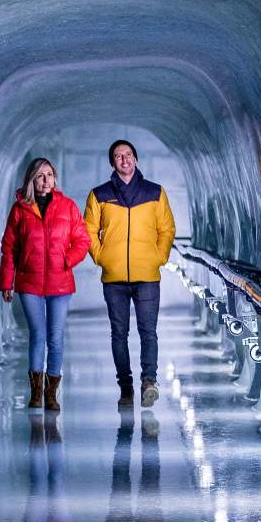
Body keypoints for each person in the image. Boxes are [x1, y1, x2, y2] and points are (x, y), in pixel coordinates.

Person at [83, 138, 177, 408]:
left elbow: (167, 229)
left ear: (135, 159)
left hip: (147, 274)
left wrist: (159, 257)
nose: (124, 159)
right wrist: (101, 256)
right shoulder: (99, 194)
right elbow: (88, 229)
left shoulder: (155, 192)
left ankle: (149, 381)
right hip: (114, 278)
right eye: (118, 156)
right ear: (112, 163)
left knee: (148, 331)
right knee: (118, 333)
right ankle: (125, 386)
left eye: (128, 154)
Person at [0, 156, 92, 411]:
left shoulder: (68, 207)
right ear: (31, 180)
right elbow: (9, 248)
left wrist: (67, 259)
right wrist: (6, 282)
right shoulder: (20, 210)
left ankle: (51, 394)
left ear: (55, 178)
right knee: (37, 336)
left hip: (60, 283)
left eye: (49, 175)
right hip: (29, 283)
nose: (45, 180)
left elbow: (83, 240)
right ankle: (35, 392)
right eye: (40, 175)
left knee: (56, 337)